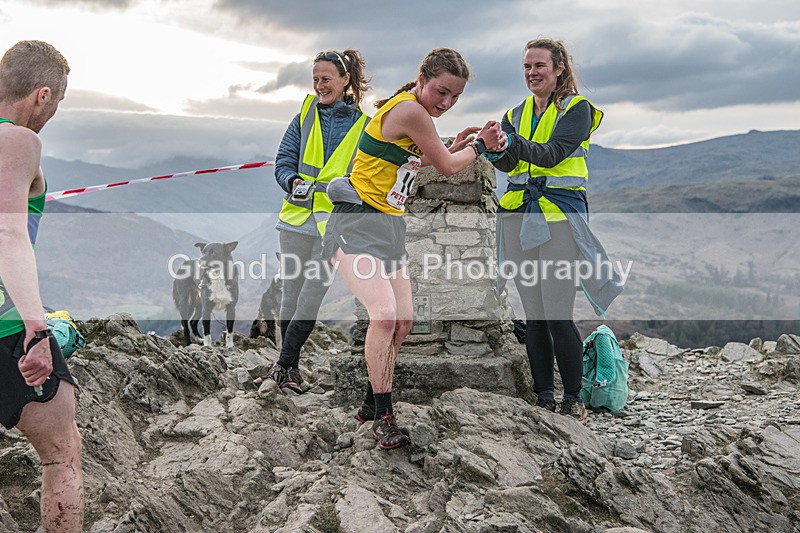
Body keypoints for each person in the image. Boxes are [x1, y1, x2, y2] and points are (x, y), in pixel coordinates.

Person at [322, 48, 505, 449]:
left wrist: (456, 142)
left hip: (388, 226)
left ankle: (372, 401)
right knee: (384, 317)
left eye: (455, 97)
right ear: (422, 79)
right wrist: (482, 146)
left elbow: (414, 161)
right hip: (355, 222)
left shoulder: (414, 115)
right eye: (441, 91)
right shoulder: (409, 110)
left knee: (404, 321)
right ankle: (384, 419)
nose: (446, 102)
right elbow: (448, 167)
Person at [487, 39, 623, 423]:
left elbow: (551, 154)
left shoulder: (578, 110)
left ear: (559, 68)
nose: (532, 73)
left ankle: (573, 399)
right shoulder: (515, 112)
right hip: (518, 216)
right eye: (527, 66)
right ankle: (544, 395)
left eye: (539, 66)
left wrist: (509, 141)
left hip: (559, 219)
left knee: (558, 312)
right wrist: (494, 148)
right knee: (534, 314)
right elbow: (509, 162)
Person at [0, 40, 84, 531]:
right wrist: (37, 328)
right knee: (61, 455)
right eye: (59, 101)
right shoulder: (17, 141)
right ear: (43, 94)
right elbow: (8, 232)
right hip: (8, 325)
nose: (54, 112)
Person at [259, 49, 371, 393]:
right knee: (289, 294)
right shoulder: (303, 117)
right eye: (315, 80)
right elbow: (283, 163)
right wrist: (291, 181)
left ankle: (285, 364)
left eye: (326, 79)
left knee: (313, 294)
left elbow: (365, 177)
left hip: (333, 224)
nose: (320, 86)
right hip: (295, 218)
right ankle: (288, 366)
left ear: (345, 80)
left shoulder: (364, 127)